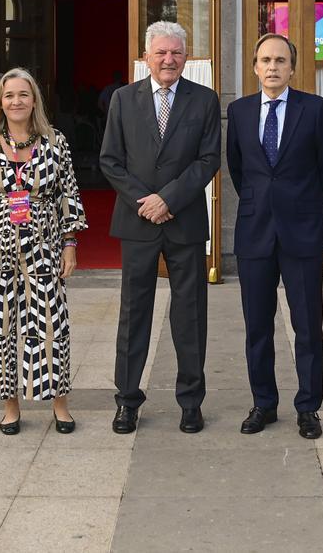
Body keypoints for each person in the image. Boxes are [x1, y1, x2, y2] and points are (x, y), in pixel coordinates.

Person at [0, 69, 87, 435]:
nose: (16, 101)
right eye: (8, 95)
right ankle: (10, 406)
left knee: (50, 325)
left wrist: (70, 245)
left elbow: (68, 196)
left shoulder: (56, 142)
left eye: (23, 94)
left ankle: (60, 404)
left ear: (34, 100)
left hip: (43, 248)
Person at [99, 21, 221, 434]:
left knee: (190, 315)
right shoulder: (123, 99)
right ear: (146, 57)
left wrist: (169, 198)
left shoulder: (204, 100)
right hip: (137, 223)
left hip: (184, 221)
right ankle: (127, 400)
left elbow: (208, 160)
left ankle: (190, 401)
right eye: (161, 53)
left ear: (186, 57)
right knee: (134, 314)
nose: (169, 60)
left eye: (176, 53)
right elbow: (110, 160)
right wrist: (145, 202)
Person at [226, 34, 323, 439]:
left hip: (303, 231)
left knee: (307, 325)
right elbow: (239, 171)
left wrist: (301, 204)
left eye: (280, 60)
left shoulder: (314, 109)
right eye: (265, 60)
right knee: (258, 325)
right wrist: (264, 203)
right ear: (255, 66)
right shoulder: (238, 111)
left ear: (292, 67)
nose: (272, 67)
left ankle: (308, 407)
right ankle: (264, 403)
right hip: (255, 232)